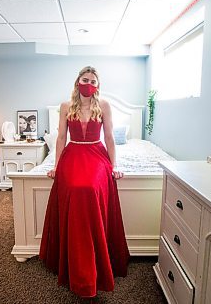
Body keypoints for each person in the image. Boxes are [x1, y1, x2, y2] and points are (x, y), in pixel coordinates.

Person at [39, 66, 129, 298]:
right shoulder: (66, 106)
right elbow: (60, 137)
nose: (89, 83)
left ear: (97, 85)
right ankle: (74, 259)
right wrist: (56, 166)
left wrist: (114, 165)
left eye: (93, 80)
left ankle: (95, 255)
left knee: (89, 188)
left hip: (97, 154)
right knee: (75, 188)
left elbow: (109, 136)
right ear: (78, 81)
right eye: (85, 79)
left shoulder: (104, 106)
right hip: (74, 153)